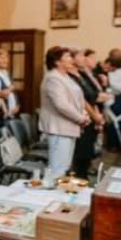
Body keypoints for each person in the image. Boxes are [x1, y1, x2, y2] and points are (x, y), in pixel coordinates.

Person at [39, 46, 90, 180]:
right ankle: (48, 198)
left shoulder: (65, 76)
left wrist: (84, 114)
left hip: (68, 126)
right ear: (57, 61)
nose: (71, 59)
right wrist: (80, 118)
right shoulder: (53, 78)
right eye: (67, 57)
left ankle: (57, 197)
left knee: (64, 167)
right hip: (59, 127)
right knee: (57, 169)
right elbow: (61, 105)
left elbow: (77, 99)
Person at [68, 48, 107, 179]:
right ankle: (79, 182)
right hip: (81, 118)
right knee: (80, 156)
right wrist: (95, 116)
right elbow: (82, 100)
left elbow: (93, 96)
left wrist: (97, 115)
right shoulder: (70, 77)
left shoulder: (81, 74)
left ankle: (83, 179)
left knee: (87, 154)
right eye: (79, 55)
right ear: (72, 59)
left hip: (91, 117)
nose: (83, 58)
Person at [0, 49, 19, 118]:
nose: (5, 60)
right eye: (2, 58)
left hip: (12, 110)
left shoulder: (7, 73)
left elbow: (13, 91)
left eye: (6, 57)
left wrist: (17, 105)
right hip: (1, 111)